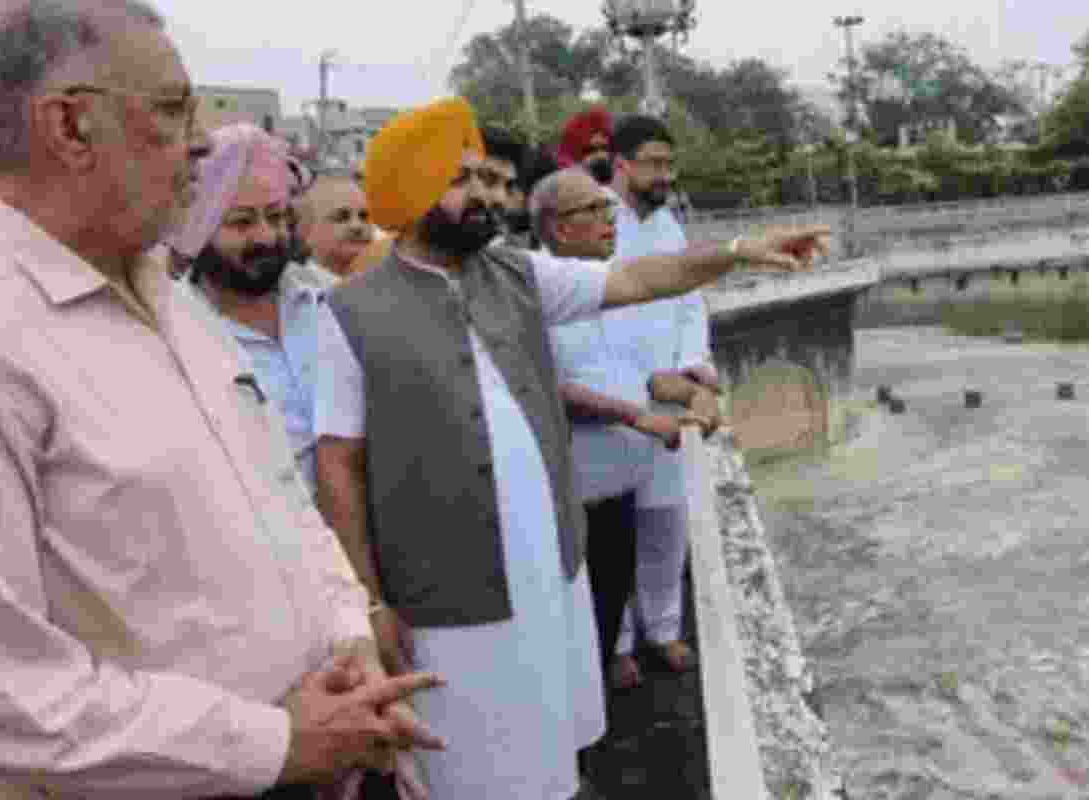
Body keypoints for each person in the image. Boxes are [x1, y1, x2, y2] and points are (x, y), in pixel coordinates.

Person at [313, 99, 828, 800]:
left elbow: (642, 278)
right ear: (410, 186)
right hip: (442, 594)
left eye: (487, 180)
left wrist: (738, 253)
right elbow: (338, 466)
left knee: (550, 746)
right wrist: (369, 605)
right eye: (460, 179)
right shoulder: (349, 312)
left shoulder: (517, 274)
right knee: (466, 766)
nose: (485, 196)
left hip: (547, 567)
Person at [0, 2, 442, 798]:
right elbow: (14, 692)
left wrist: (346, 638)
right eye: (172, 110)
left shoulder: (168, 297)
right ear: (70, 127)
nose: (202, 142)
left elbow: (281, 496)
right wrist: (274, 743)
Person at [532, 166, 704, 691]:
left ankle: (628, 649)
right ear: (560, 228)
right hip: (580, 485)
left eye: (610, 209)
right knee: (589, 605)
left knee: (626, 570)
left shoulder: (613, 287)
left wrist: (694, 393)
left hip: (627, 474)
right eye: (596, 210)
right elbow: (553, 389)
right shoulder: (534, 289)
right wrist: (636, 417)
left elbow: (643, 371)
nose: (611, 219)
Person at [607, 114, 721, 677]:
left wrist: (693, 369)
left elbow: (689, 302)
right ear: (620, 165)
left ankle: (664, 630)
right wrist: (650, 379)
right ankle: (619, 641)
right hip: (619, 399)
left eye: (668, 164)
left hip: (672, 395)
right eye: (652, 163)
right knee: (617, 528)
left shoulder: (669, 228)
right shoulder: (600, 227)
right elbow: (601, 319)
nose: (663, 174)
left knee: (667, 522)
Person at [166, 123, 330, 500]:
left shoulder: (328, 304)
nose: (266, 237)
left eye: (275, 217)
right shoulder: (173, 332)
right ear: (199, 226)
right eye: (241, 222)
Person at [295, 172, 373, 282]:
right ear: (306, 230)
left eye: (364, 217)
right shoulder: (293, 292)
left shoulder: (383, 286)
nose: (357, 226)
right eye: (341, 217)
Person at [556, 105, 613, 186]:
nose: (605, 141)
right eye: (602, 134)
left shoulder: (606, 153)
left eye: (606, 135)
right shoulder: (567, 160)